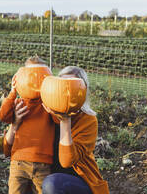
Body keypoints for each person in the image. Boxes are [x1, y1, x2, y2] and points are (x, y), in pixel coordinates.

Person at [42, 66, 109, 194]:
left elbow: (66, 161)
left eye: (72, 88)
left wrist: (65, 121)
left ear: (82, 91)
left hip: (79, 183)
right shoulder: (47, 114)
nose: (66, 93)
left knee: (52, 184)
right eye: (62, 86)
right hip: (47, 177)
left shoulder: (88, 120)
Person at [0, 56, 58, 194]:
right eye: (31, 77)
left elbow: (58, 120)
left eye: (41, 78)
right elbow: (3, 116)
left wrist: (53, 95)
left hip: (43, 162)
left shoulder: (48, 105)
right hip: (19, 161)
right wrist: (13, 92)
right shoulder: (20, 103)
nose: (35, 82)